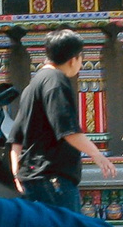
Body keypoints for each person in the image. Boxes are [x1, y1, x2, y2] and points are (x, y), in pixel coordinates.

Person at [13, 30, 113, 208]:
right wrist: (97, 155)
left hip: (31, 179)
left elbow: (16, 139)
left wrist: (15, 173)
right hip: (53, 181)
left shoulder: (33, 85)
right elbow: (68, 130)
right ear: (73, 59)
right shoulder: (56, 82)